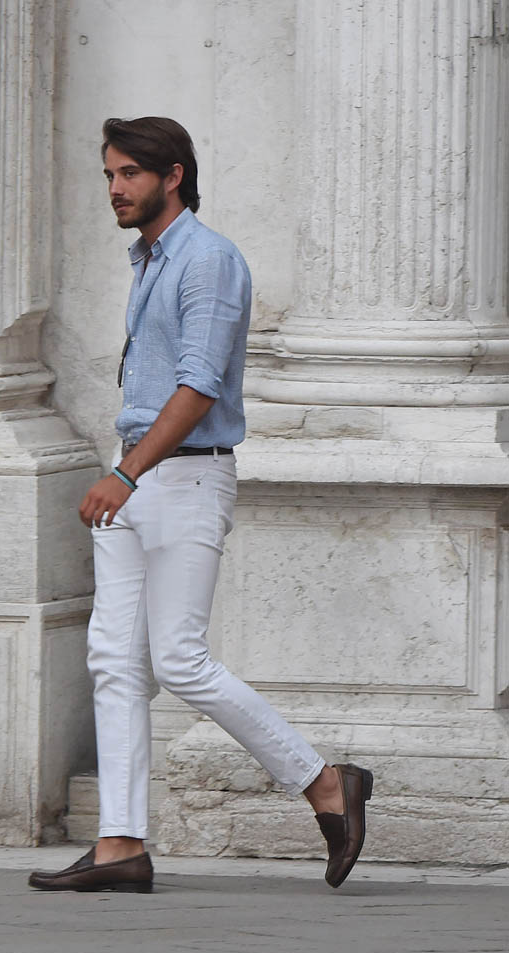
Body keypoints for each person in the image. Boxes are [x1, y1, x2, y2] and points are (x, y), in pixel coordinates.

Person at [28, 116, 372, 895]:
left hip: (181, 478)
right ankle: (120, 844)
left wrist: (126, 475)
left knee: (178, 658)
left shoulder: (208, 260)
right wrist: (125, 472)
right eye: (109, 174)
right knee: (114, 661)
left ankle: (324, 782)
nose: (114, 188)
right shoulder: (149, 259)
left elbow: (199, 385)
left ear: (172, 176)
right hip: (137, 472)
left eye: (128, 173)